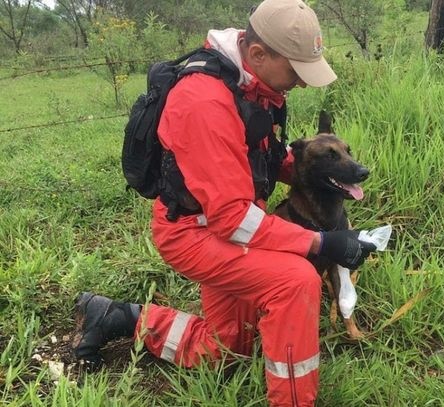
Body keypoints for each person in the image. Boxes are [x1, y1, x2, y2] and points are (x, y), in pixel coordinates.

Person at [73, 0, 376, 405]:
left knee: (226, 350)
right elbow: (233, 219)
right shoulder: (205, 103)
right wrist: (322, 243)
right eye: (296, 72)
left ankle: (120, 317)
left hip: (230, 222)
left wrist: (316, 173)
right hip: (194, 234)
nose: (301, 84)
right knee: (295, 281)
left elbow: (261, 158)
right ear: (257, 54)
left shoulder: (251, 84)